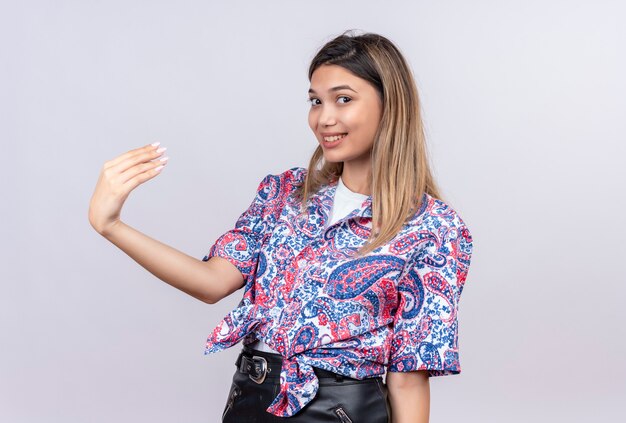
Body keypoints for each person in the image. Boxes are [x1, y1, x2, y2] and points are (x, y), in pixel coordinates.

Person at [88, 30, 474, 423]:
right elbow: (211, 282)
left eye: (343, 99)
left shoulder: (434, 229)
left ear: (390, 105)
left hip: (340, 411)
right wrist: (112, 226)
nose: (324, 118)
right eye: (315, 101)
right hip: (251, 402)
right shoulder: (284, 193)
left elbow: (408, 381)